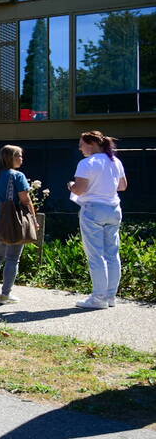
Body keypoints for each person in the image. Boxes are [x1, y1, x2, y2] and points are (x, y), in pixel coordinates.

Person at [68, 131, 128, 309]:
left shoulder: (87, 163)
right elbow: (122, 186)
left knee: (96, 255)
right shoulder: (115, 161)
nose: (80, 148)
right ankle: (110, 296)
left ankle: (98, 298)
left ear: (92, 144)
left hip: (93, 209)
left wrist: (71, 186)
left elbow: (79, 190)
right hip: (114, 208)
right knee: (112, 254)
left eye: (82, 144)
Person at [0, 145, 38, 303]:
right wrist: (33, 219)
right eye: (19, 156)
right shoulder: (18, 176)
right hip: (13, 222)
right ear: (11, 157)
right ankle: (5, 294)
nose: (21, 159)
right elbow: (25, 200)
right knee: (12, 258)